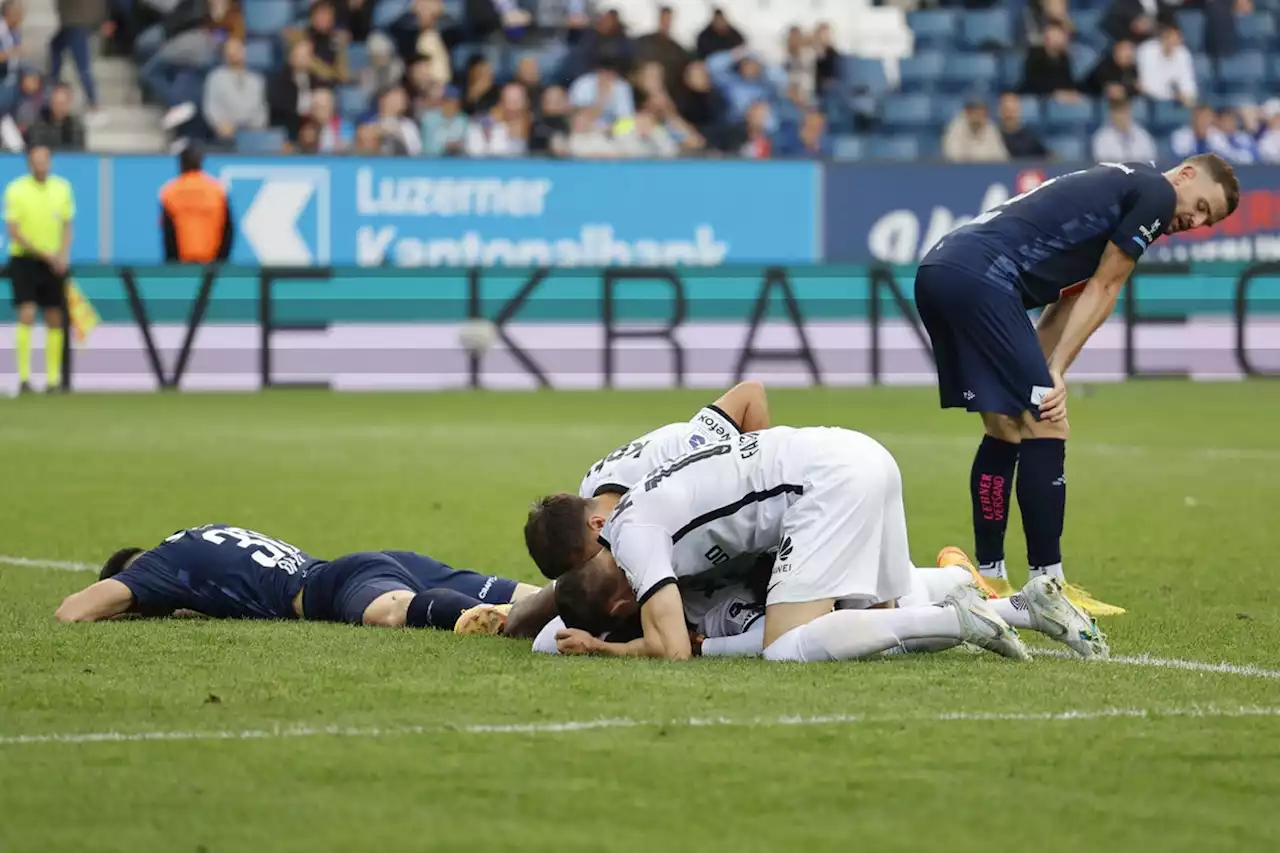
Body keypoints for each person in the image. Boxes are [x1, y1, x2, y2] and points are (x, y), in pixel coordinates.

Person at [911, 157, 1239, 613]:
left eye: (1209, 219)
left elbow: (1069, 300)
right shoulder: (1157, 196)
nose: (1196, 221)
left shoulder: (1124, 187)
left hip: (943, 270)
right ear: (1184, 174)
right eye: (1201, 205)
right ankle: (1050, 588)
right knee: (1049, 423)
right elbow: (1105, 289)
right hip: (982, 278)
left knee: (1006, 426)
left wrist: (1047, 370)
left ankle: (990, 577)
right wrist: (1054, 376)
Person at [549, 426, 1045, 663]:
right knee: (875, 613)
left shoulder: (632, 541)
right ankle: (1025, 606)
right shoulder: (635, 507)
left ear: (621, 602)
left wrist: (602, 648)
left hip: (823, 484)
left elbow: (674, 650)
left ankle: (957, 617)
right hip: (858, 451)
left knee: (785, 648)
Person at [53, 524, 540, 634]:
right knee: (527, 591)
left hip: (332, 585)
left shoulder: (156, 567)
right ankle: (586, 595)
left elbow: (72, 611)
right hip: (379, 559)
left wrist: (132, 596)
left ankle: (494, 619)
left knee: (392, 612)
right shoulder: (201, 538)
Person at [5, 144, 74, 394]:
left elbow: (67, 225)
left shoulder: (62, 188)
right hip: (25, 260)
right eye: (36, 160)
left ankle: (53, 380)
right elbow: (14, 231)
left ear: (50, 162)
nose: (41, 164)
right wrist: (45, 253)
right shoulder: (16, 190)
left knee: (55, 316)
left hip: (54, 262)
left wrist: (63, 255)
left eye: (44, 160)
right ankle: (24, 378)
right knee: (27, 313)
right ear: (29, 163)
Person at [159, 145, 232, 263]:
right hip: (212, 262)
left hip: (182, 262)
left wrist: (172, 263)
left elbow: (168, 231)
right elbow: (228, 229)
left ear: (181, 163)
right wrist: (221, 261)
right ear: (200, 162)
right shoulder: (216, 190)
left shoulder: (170, 191)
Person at [202, 36, 267, 145]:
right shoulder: (215, 77)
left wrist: (256, 128)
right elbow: (210, 108)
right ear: (225, 55)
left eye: (237, 49)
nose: (233, 53)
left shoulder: (256, 80)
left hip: (252, 134)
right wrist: (221, 126)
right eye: (230, 50)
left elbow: (261, 110)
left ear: (244, 51)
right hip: (224, 134)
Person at [1136, 21, 1197, 106]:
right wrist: (1172, 96)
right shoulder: (1146, 51)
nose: (1175, 41)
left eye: (1178, 37)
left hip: (1175, 99)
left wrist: (1187, 95)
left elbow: (1188, 82)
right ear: (1163, 37)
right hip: (1149, 100)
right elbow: (1147, 86)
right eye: (1171, 37)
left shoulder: (1183, 53)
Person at [942, 98, 1009, 163]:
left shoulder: (991, 128)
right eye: (974, 111)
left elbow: (1002, 158)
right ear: (967, 112)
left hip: (987, 172)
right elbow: (953, 158)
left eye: (981, 111)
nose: (978, 115)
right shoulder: (955, 128)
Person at [1091, 97, 1158, 162]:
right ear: (1111, 115)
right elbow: (1101, 157)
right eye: (1117, 113)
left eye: (1124, 112)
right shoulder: (1102, 137)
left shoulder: (1142, 134)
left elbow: (1150, 155)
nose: (1121, 116)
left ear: (1130, 112)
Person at [26, 82, 86, 151]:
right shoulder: (38, 127)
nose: (59, 108)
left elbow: (78, 155)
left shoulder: (75, 127)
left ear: (69, 103)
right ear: (51, 103)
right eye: (57, 103)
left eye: (63, 104)